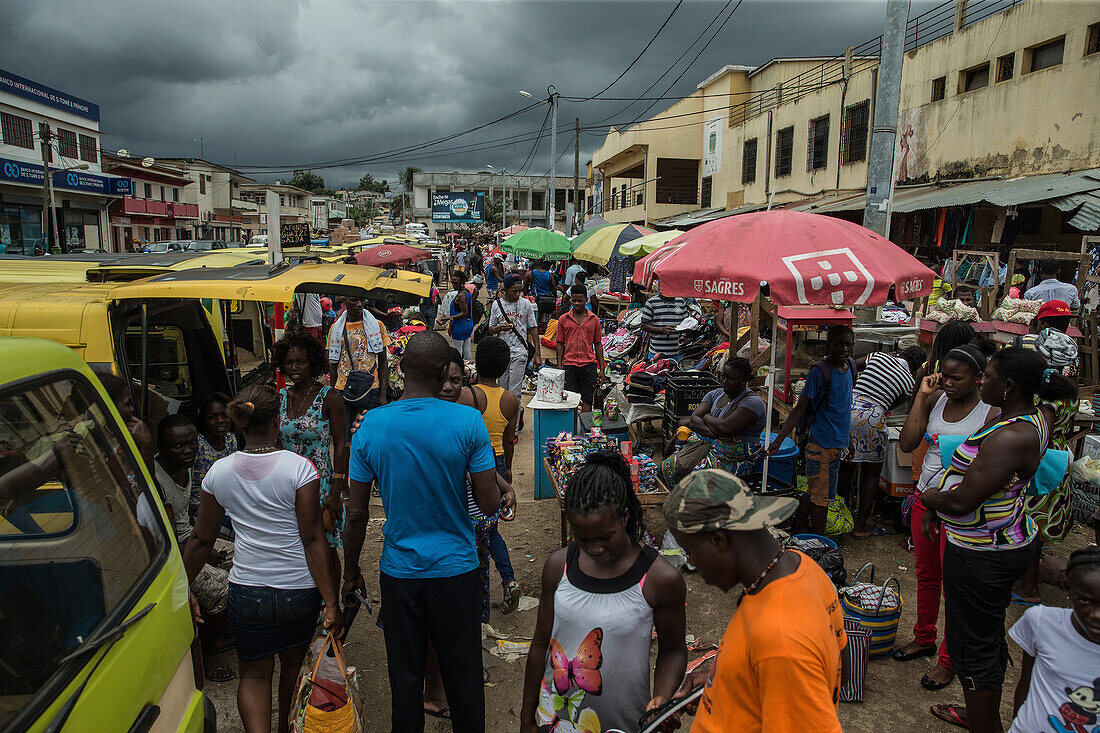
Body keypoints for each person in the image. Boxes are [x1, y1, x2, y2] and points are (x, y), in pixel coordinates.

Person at [343, 330, 514, 732]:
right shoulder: (468, 422)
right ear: (443, 373)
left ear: (400, 367)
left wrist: (351, 571)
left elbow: (355, 513)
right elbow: (488, 504)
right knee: (465, 678)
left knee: (405, 681)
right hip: (456, 570)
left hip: (400, 573)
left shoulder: (370, 426)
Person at [921, 347, 1067, 733]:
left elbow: (963, 499)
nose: (981, 381)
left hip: (982, 553)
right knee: (985, 632)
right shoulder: (1035, 416)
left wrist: (929, 499)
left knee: (972, 646)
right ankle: (979, 708)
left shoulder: (1010, 437)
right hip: (1003, 538)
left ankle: (985, 723)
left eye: (987, 376)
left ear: (1009, 386)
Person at [183, 387, 343, 733]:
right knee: (291, 671)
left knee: (254, 675)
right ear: (277, 421)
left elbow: (200, 539)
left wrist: (181, 588)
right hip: (298, 590)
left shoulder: (219, 473)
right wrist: (331, 601)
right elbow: (313, 538)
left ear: (239, 424)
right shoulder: (300, 469)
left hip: (247, 590)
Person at [661, 469, 846, 732]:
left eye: (689, 551)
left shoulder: (779, 637)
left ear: (718, 540)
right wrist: (729, 684)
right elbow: (838, 661)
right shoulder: (803, 567)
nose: (690, 562)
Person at [521, 452, 687, 733]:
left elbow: (673, 651)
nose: (595, 548)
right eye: (583, 539)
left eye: (605, 537)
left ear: (624, 516)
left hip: (626, 724)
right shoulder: (558, 567)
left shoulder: (659, 579)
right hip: (557, 721)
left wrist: (661, 699)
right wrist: (527, 718)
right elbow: (540, 645)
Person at [895, 343, 996, 692]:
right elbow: (907, 444)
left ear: (979, 378)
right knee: (926, 575)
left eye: (958, 378)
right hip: (925, 497)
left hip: (961, 510)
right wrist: (922, 398)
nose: (948, 383)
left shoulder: (989, 412)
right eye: (945, 376)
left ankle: (949, 659)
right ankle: (923, 636)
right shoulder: (937, 400)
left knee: (955, 585)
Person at [157, 414, 236, 684]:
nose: (188, 450)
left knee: (245, 556)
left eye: (191, 443)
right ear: (163, 448)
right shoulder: (158, 480)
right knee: (224, 587)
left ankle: (224, 630)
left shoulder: (185, 467)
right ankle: (206, 652)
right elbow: (163, 538)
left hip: (188, 537)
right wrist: (204, 551)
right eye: (178, 446)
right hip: (172, 553)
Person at [1013, 301, 1081, 605]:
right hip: (1059, 460)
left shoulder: (1043, 395)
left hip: (1042, 463)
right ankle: (1031, 577)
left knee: (1030, 527)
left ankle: (1028, 588)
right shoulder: (1069, 390)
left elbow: (1039, 433)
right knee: (1037, 529)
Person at [767, 325, 856, 536]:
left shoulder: (850, 367)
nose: (844, 349)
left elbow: (843, 409)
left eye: (848, 344)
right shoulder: (820, 372)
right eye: (839, 344)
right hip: (820, 446)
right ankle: (819, 544)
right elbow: (799, 410)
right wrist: (778, 441)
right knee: (821, 501)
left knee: (814, 493)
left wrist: (849, 440)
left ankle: (797, 533)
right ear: (828, 345)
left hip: (837, 445)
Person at [1006, 548, 1100, 733]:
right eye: (1085, 600)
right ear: (1067, 589)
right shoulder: (1041, 622)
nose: (1097, 614)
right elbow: (1026, 683)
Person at [841, 346, 926, 539]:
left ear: (902, 354)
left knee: (846, 466)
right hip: (872, 416)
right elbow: (896, 406)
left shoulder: (878, 357)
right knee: (871, 474)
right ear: (915, 366)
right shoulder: (909, 381)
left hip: (847, 408)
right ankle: (860, 526)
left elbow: (852, 364)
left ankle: (841, 516)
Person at [274, 334, 349, 551]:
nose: (295, 367)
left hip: (321, 486)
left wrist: (337, 491)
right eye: (289, 362)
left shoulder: (329, 397)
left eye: (301, 362)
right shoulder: (280, 398)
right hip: (288, 486)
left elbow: (341, 443)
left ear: (312, 362)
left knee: (324, 549)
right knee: (294, 548)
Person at [467, 337, 522, 613]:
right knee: (492, 526)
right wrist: (508, 471)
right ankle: (508, 579)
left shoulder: (468, 395)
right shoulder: (510, 399)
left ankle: (481, 586)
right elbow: (510, 439)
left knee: (473, 523)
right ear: (503, 368)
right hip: (497, 461)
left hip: (475, 463)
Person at [660, 356, 767, 486]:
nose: (724, 381)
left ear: (744, 380)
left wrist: (706, 417)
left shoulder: (752, 402)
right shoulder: (716, 394)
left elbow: (724, 428)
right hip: (706, 447)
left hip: (731, 457)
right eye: (723, 376)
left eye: (730, 378)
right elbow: (694, 420)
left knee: (699, 479)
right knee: (665, 469)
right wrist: (718, 433)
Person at [328, 294, 390, 435]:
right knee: (344, 436)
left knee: (370, 434)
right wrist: (332, 392)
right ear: (344, 299)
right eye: (354, 300)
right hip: (343, 388)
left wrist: (383, 393)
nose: (359, 304)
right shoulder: (336, 329)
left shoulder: (377, 326)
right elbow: (332, 362)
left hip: (371, 388)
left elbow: (382, 360)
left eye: (362, 300)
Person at [488, 272, 541, 397]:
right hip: (502, 352)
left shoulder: (526, 304)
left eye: (520, 291)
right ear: (505, 290)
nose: (517, 294)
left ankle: (515, 415)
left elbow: (533, 328)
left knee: (514, 391)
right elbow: (491, 329)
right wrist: (500, 328)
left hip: (520, 352)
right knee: (502, 389)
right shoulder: (497, 305)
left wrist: (537, 353)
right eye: (514, 291)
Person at [556, 284, 605, 413]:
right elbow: (560, 344)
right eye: (574, 300)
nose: (576, 303)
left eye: (580, 300)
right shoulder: (563, 319)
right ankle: (571, 430)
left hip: (589, 365)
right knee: (570, 400)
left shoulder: (594, 320)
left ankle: (585, 430)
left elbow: (598, 344)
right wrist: (560, 367)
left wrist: (602, 369)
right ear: (570, 299)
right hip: (570, 365)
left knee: (588, 400)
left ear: (586, 300)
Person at [191, 392, 238, 521]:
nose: (220, 421)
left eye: (224, 415)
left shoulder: (230, 439)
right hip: (201, 507)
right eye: (212, 417)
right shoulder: (197, 445)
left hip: (225, 503)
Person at [639, 283, 690, 360]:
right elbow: (643, 326)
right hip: (656, 353)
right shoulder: (652, 302)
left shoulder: (681, 301)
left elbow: (685, 322)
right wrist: (661, 329)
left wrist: (688, 327)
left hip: (675, 353)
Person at [440, 270, 475, 360]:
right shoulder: (466, 292)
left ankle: (460, 368)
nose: (453, 285)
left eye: (456, 283)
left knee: (458, 350)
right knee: (466, 349)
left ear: (462, 283)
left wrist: (448, 318)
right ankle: (469, 368)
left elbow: (464, 313)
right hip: (468, 324)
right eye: (452, 282)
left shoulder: (461, 296)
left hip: (460, 326)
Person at [524, 260, 558, 328]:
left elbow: (525, 288)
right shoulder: (549, 275)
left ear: (533, 265)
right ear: (542, 265)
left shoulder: (529, 274)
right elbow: (554, 288)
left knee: (534, 319)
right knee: (546, 321)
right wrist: (555, 297)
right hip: (547, 300)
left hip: (534, 300)